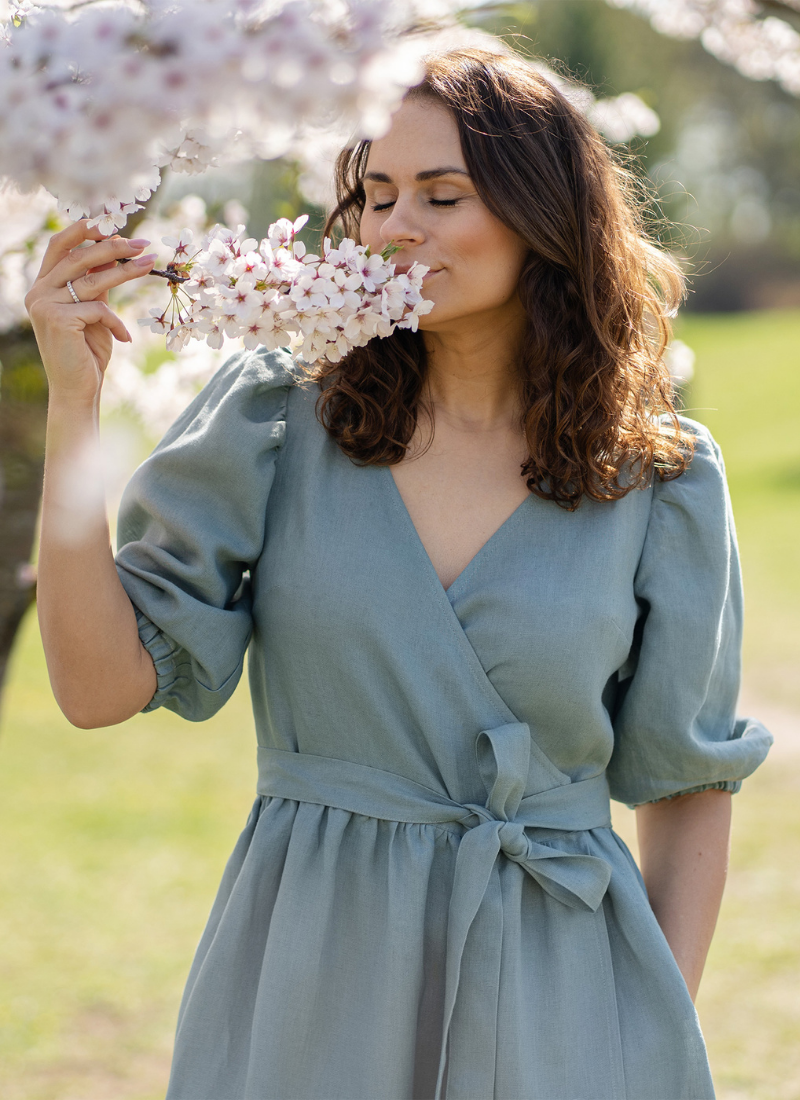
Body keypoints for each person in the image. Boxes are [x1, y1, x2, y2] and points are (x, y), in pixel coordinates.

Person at [26, 44, 772, 1100]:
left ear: (540, 217)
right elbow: (97, 689)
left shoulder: (659, 476)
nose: (394, 227)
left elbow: (686, 783)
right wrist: (76, 406)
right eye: (375, 193)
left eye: (440, 193)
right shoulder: (276, 417)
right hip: (306, 979)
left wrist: (644, 1018)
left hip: (564, 988)